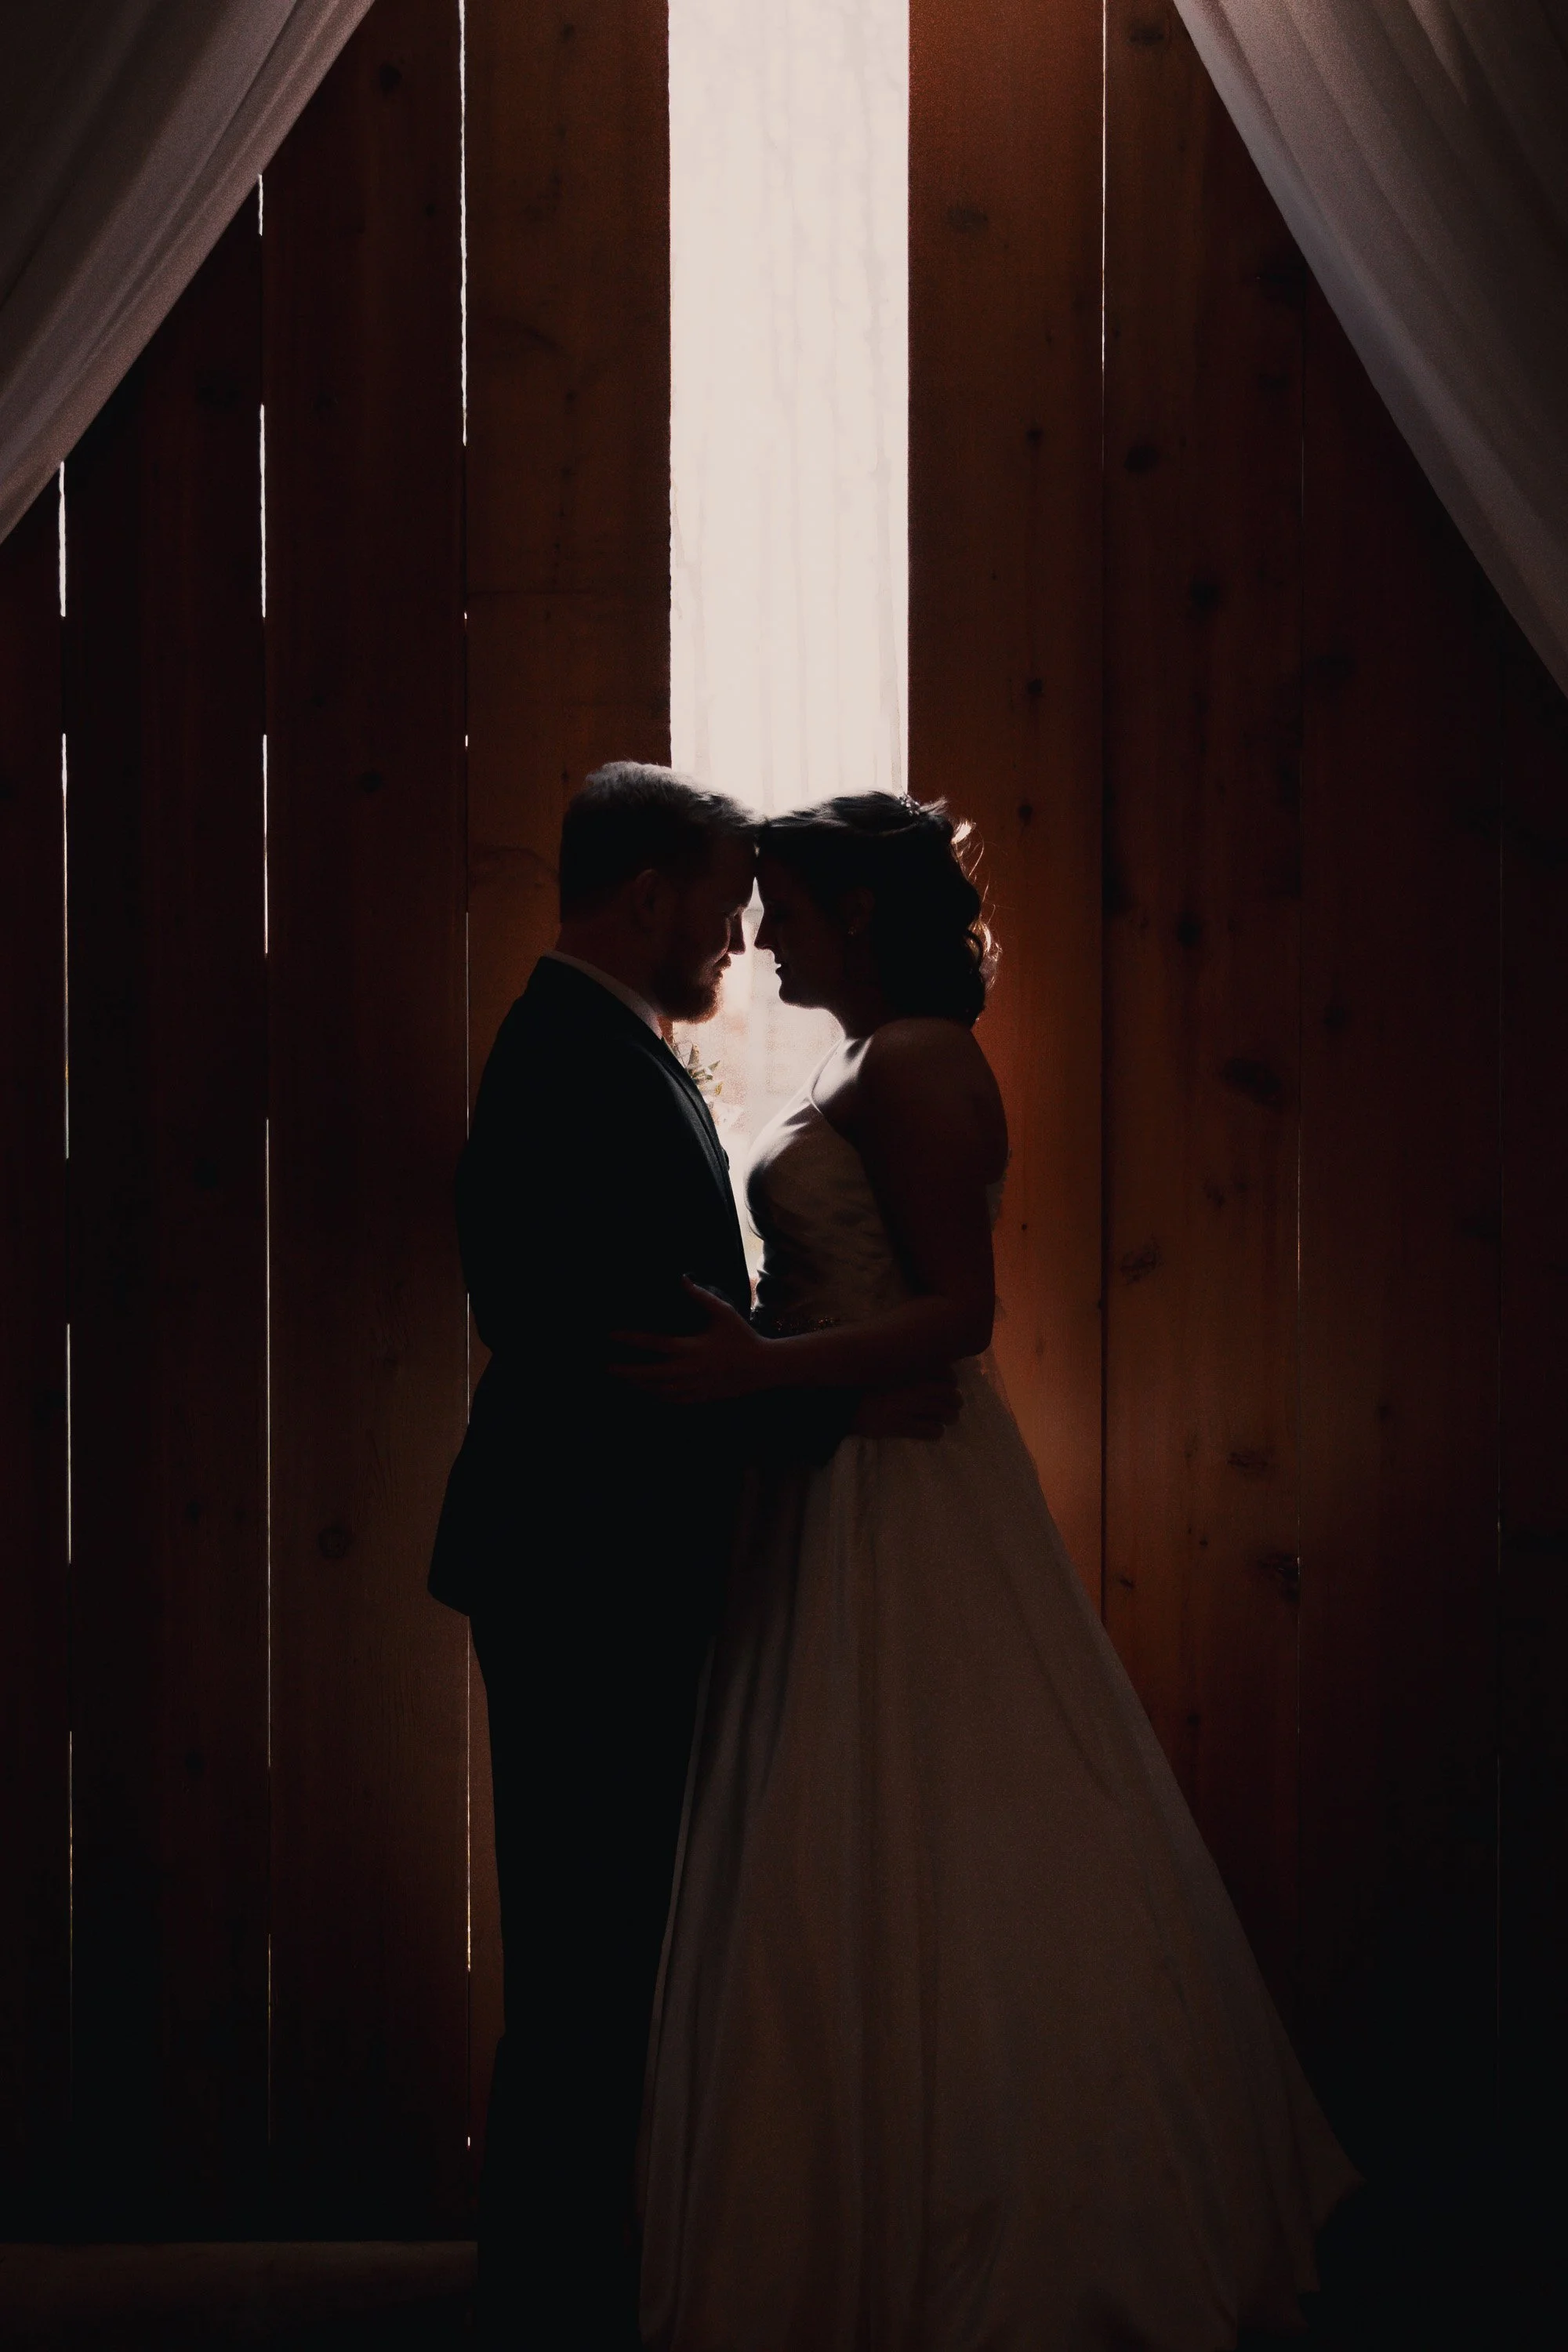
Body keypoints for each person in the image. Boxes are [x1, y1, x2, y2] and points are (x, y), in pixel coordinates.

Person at [619, 793, 1359, 2350]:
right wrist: (792, 1382)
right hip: (835, 1473)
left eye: (787, 907)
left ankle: (1019, 2234)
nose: (759, 936)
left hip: (908, 1488)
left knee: (940, 1820)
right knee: (834, 1834)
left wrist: (763, 1374)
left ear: (861, 918)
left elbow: (959, 1312)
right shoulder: (862, 1065)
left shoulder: (925, 1064)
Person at [427, 765, 956, 2348]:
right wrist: (836, 1411)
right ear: (649, 893)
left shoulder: (608, 1050)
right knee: (589, 1946)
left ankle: (581, 2270)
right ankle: (552, 2293)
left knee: (607, 1938)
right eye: (726, 900)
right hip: (585, 1570)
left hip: (602, 1562)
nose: (737, 933)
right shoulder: (569, 1062)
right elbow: (624, 1342)